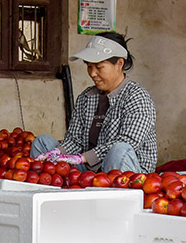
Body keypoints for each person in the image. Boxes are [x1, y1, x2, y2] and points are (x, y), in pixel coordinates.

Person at [31, 32, 157, 173]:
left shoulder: (137, 97)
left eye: (99, 67)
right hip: (89, 171)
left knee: (120, 149)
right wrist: (58, 152)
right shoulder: (86, 97)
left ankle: (117, 195)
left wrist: (83, 158)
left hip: (125, 171)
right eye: (89, 66)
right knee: (42, 143)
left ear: (119, 64)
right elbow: (75, 140)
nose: (92, 73)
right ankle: (57, 193)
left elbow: (129, 143)